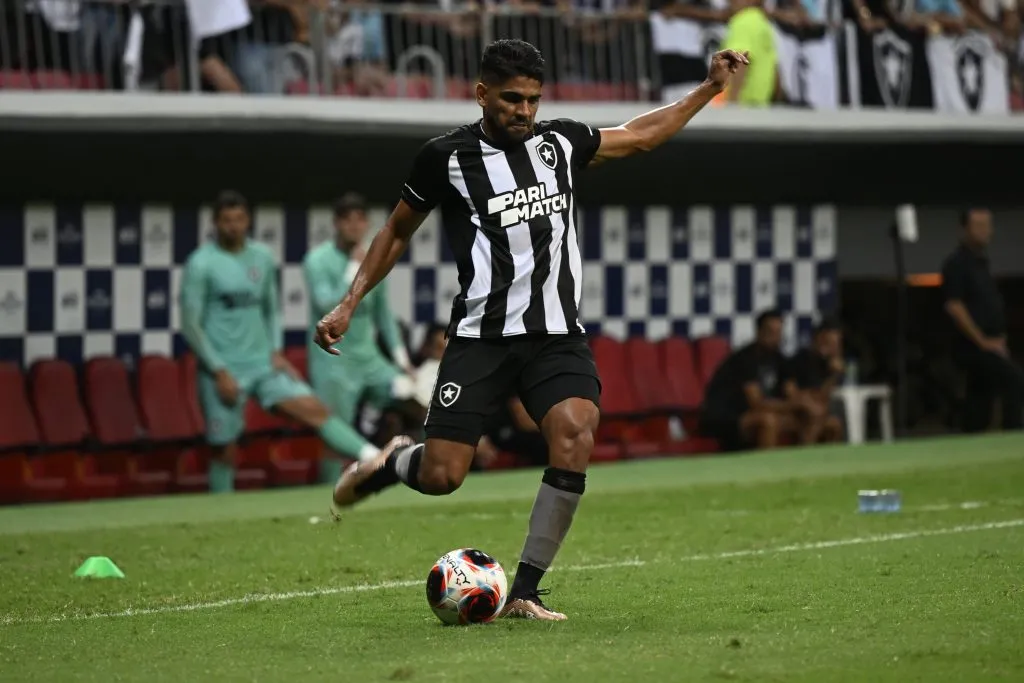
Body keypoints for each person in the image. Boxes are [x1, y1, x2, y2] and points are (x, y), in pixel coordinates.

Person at [315, 39, 748, 621]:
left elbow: (640, 135)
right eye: (512, 99)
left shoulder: (560, 144)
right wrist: (350, 302)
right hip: (481, 338)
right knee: (443, 475)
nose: (524, 111)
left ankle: (524, 591)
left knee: (576, 428)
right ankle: (395, 461)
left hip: (555, 335)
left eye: (533, 100)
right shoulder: (445, 158)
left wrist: (708, 88)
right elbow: (396, 231)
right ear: (482, 94)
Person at [179, 190, 390, 493]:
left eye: (239, 219)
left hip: (264, 365)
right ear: (215, 222)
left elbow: (272, 309)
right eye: (226, 220)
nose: (233, 226)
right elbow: (190, 325)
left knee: (314, 409)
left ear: (248, 220)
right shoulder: (201, 264)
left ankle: (375, 458)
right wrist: (217, 369)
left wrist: (276, 351)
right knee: (223, 451)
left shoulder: (262, 257)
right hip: (223, 370)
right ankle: (220, 513)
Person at [303, 192, 416, 483]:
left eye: (360, 220)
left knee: (414, 396)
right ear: (336, 223)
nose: (354, 226)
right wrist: (355, 268)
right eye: (347, 220)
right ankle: (327, 494)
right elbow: (326, 304)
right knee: (334, 435)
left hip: (370, 360)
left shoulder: (373, 256)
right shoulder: (316, 260)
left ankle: (413, 468)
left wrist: (402, 360)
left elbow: (383, 315)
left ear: (367, 223)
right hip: (333, 363)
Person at [941, 208, 1023, 432]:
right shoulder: (956, 264)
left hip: (991, 343)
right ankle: (1014, 436)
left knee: (980, 400)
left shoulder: (982, 264)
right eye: (978, 226)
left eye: (988, 225)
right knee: (1014, 381)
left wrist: (998, 339)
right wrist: (982, 341)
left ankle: (972, 435)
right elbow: (955, 306)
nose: (985, 231)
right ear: (963, 230)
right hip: (972, 346)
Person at [782, 318, 845, 444]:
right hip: (797, 410)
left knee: (834, 424)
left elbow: (825, 395)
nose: (832, 347)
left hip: (819, 410)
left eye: (836, 344)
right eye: (828, 342)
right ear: (818, 339)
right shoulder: (800, 359)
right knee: (816, 413)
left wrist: (835, 375)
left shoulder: (830, 365)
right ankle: (805, 453)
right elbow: (790, 392)